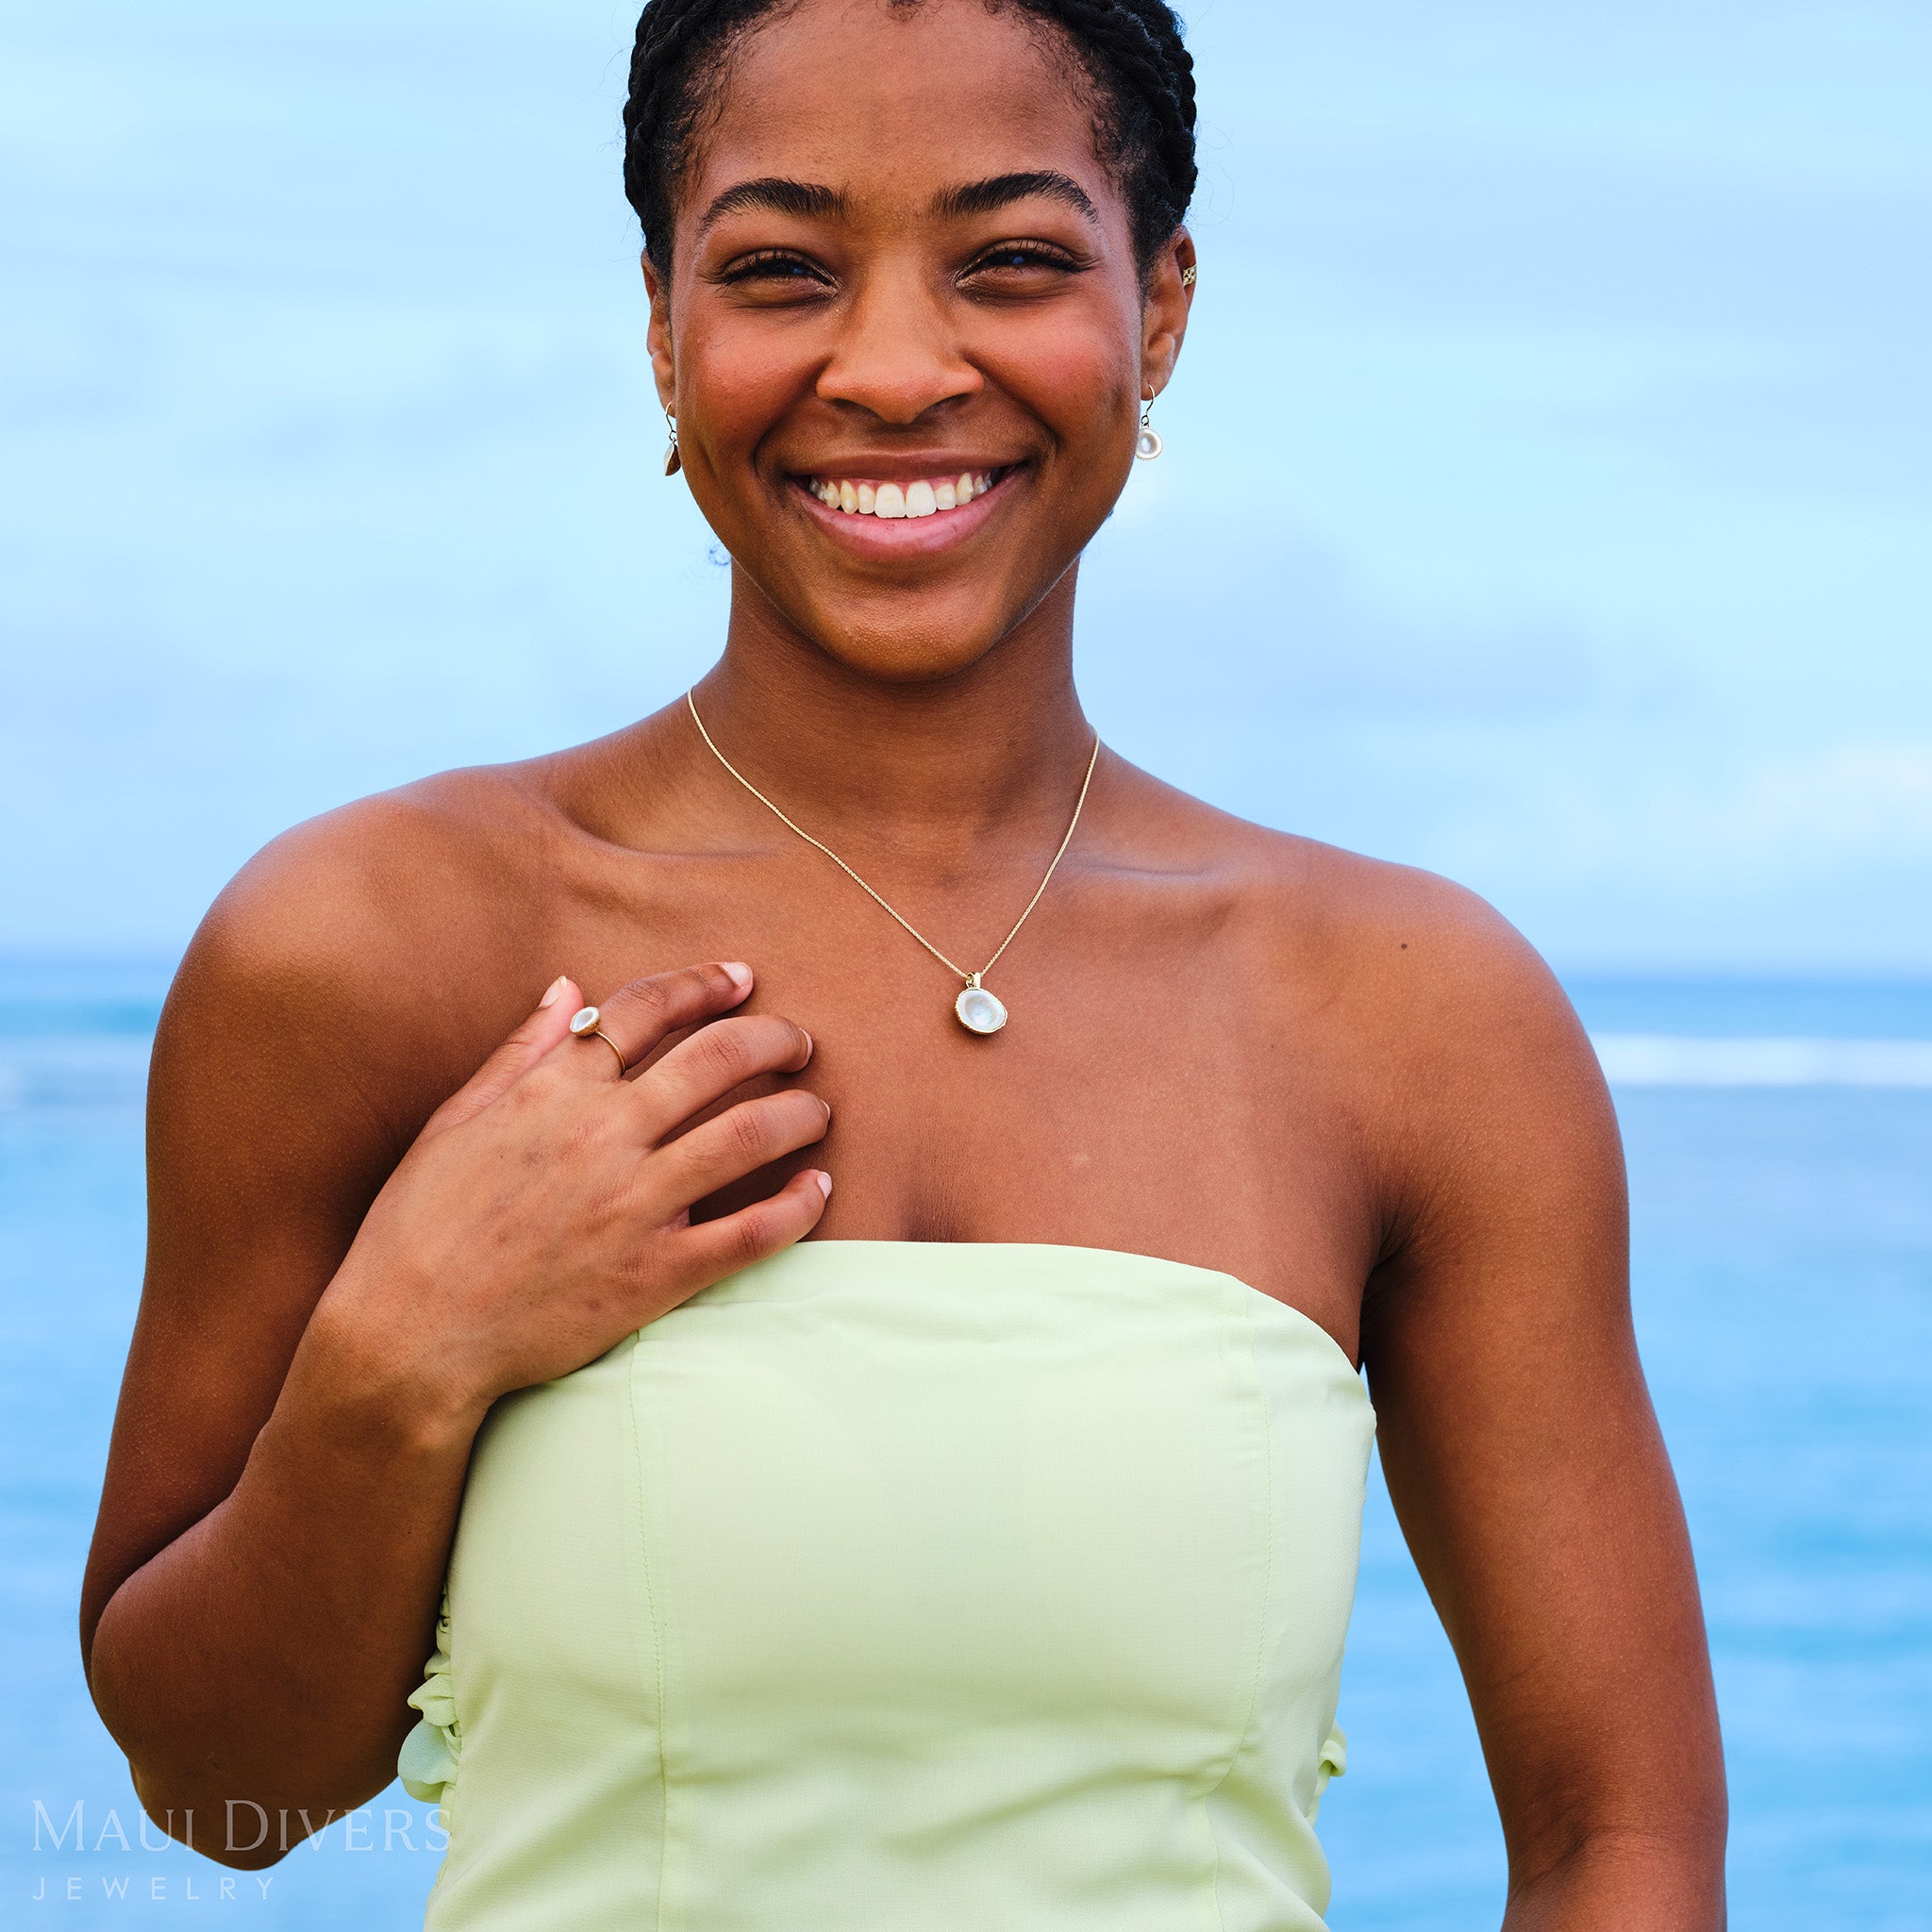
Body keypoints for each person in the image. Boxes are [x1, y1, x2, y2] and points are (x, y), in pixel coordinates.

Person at [80, 1, 1725, 1925]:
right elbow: (218, 1798)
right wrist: (404, 1352)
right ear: (659, 324)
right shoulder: (370, 946)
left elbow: (1619, 1833)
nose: (886, 366)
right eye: (779, 270)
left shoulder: (1409, 1015)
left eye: (1011, 262)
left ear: (1161, 305)